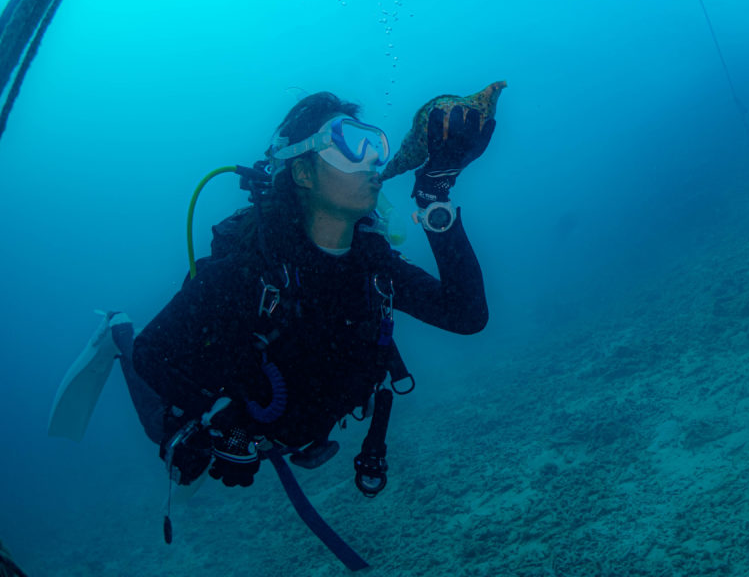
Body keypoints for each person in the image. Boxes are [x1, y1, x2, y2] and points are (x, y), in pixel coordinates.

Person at [58, 91, 493, 500]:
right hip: (249, 421)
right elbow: (152, 356)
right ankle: (117, 330)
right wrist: (220, 422)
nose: (372, 163)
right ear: (302, 172)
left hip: (299, 424)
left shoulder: (372, 265)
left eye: (374, 145)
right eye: (348, 146)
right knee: (162, 431)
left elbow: (466, 315)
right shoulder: (249, 272)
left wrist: (435, 194)